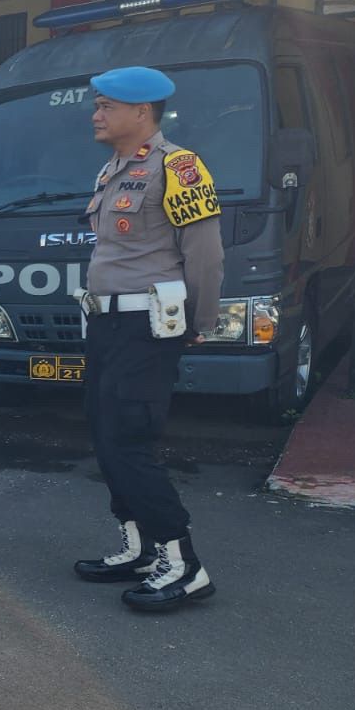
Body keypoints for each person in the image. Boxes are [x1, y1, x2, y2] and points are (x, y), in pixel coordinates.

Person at [72, 66, 223, 612]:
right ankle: (139, 547)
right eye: (97, 105)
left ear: (141, 112)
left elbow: (204, 254)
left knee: (129, 439)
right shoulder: (113, 169)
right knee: (104, 433)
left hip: (146, 326)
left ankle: (183, 564)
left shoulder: (179, 167)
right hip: (107, 324)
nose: (96, 114)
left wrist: (198, 321)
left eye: (106, 106)